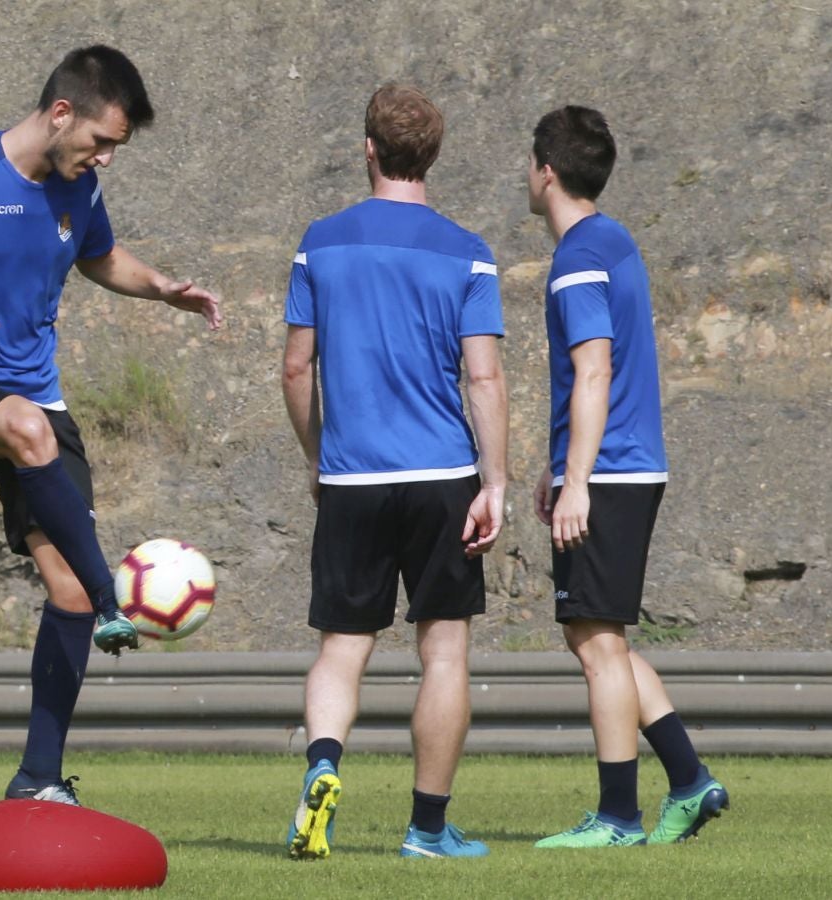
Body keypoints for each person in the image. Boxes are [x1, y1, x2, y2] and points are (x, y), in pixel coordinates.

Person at [0, 45, 221, 806]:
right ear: (61, 113)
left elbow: (101, 258)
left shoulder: (79, 185)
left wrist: (161, 287)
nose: (106, 158)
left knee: (65, 590)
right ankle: (112, 599)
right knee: (30, 432)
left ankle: (38, 778)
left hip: (35, 402)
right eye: (101, 140)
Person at [281, 85, 508, 861]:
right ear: (432, 156)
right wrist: (496, 483)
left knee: (342, 649)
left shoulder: (320, 242)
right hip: (443, 475)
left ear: (368, 149)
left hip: (352, 479)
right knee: (442, 653)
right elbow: (484, 378)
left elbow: (296, 368)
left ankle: (323, 766)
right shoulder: (468, 250)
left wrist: (319, 456)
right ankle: (428, 830)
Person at [525, 106, 729, 848]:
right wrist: (558, 467)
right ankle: (690, 780)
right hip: (625, 466)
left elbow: (595, 369)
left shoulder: (579, 255)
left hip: (608, 472)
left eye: (529, 163)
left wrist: (577, 479)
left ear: (547, 171)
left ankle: (617, 817)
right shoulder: (614, 240)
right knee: (601, 635)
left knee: (595, 645)